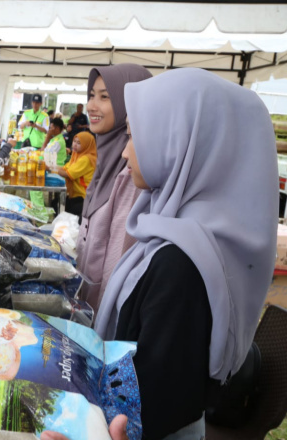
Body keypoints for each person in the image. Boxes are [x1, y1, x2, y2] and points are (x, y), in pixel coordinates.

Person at [94, 68, 277, 439]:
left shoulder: (182, 264)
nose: (127, 150)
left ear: (179, 143)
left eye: (134, 137)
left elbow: (155, 403)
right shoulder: (174, 234)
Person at [75, 64, 152, 312]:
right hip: (87, 309)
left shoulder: (132, 171)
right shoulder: (107, 158)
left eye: (105, 97)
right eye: (91, 95)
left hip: (102, 322)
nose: (91, 106)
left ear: (128, 104)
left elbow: (119, 263)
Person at [49, 131, 96, 218]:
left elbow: (67, 173)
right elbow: (64, 168)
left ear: (87, 145)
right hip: (75, 194)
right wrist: (51, 166)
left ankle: (62, 228)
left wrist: (50, 168)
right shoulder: (77, 155)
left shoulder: (86, 159)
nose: (74, 145)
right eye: (74, 141)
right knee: (55, 203)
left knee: (58, 206)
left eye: (79, 143)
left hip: (84, 197)